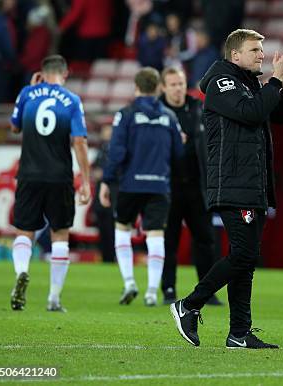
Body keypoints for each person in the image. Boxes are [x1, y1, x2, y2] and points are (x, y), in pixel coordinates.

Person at [170, 29, 283, 349]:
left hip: (251, 182)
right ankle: (188, 305)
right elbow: (251, 112)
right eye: (254, 50)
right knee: (244, 253)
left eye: (261, 49)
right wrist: (273, 83)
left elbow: (279, 115)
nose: (260, 55)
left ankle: (239, 333)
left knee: (246, 258)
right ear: (235, 55)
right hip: (231, 181)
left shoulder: (249, 83)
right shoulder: (221, 82)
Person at [9, 54, 91, 312]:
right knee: (60, 233)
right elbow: (79, 142)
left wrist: (33, 89)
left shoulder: (27, 94)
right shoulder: (72, 101)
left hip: (29, 175)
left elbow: (14, 128)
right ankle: (54, 298)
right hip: (60, 176)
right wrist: (86, 181)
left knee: (25, 231)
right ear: (65, 74)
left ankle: (22, 272)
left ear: (42, 74)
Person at [99, 67, 183, 307]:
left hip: (130, 184)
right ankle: (151, 292)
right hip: (159, 185)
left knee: (122, 228)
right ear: (158, 88)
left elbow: (116, 152)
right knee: (156, 234)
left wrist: (106, 180)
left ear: (136, 87)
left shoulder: (125, 114)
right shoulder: (169, 117)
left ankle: (129, 283)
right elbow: (179, 153)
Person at [159, 66, 220, 306]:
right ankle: (168, 289)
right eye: (173, 84)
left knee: (205, 240)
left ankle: (206, 291)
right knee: (168, 240)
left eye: (181, 84)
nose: (178, 88)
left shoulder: (197, 108)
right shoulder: (157, 112)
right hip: (167, 187)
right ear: (163, 87)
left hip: (196, 186)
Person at [91, 124, 116, 264]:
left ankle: (111, 256)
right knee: (102, 227)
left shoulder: (116, 149)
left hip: (112, 194)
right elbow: (94, 166)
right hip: (100, 196)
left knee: (111, 227)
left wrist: (103, 174)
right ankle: (105, 256)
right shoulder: (101, 149)